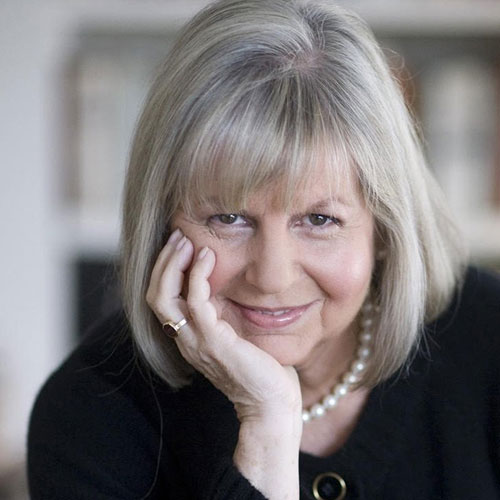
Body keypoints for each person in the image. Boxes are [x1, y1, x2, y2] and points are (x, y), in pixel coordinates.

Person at [28, 0, 500, 499]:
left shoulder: (488, 342)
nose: (272, 277)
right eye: (228, 218)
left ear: (384, 229)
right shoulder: (90, 413)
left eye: (319, 220)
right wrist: (266, 427)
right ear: (162, 221)